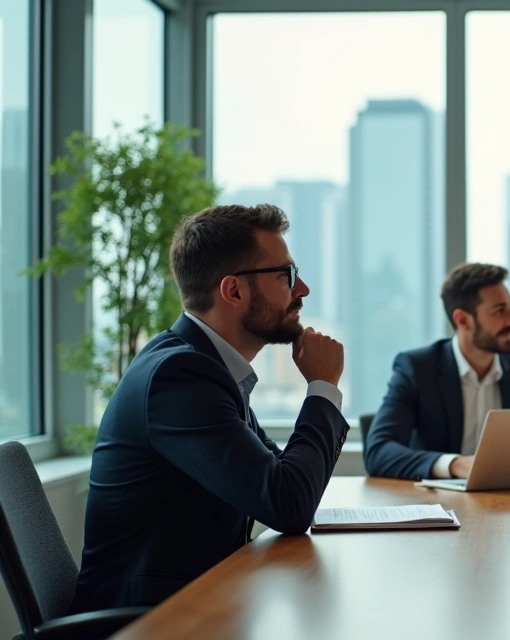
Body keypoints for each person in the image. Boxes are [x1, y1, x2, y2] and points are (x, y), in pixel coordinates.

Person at [71, 204, 348, 612]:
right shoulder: (179, 375)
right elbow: (288, 504)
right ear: (233, 290)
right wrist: (322, 388)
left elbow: (278, 475)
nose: (302, 289)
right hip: (149, 622)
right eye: (286, 275)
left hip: (203, 603)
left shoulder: (207, 366)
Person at [364, 263, 510, 480]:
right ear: (463, 320)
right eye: (499, 310)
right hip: (438, 509)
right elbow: (379, 451)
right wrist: (456, 464)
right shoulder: (418, 368)